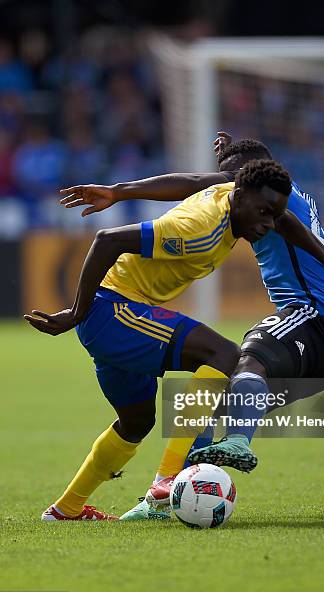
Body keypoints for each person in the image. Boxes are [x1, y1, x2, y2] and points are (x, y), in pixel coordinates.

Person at [58, 134, 324, 521]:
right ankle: (151, 500)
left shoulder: (262, 206)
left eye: (228, 179)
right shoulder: (245, 202)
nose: (266, 220)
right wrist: (119, 191)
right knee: (194, 400)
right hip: (116, 306)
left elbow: (261, 211)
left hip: (312, 321)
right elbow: (199, 184)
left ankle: (212, 455)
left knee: (233, 358)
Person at [26, 158, 307, 521]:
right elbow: (107, 240)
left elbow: (190, 179)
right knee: (223, 353)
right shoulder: (198, 228)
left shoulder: (232, 190)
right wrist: (77, 312)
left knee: (136, 422)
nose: (269, 224)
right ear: (239, 197)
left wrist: (118, 191)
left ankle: (66, 509)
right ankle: (169, 479)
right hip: (115, 312)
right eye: (264, 213)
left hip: (117, 316)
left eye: (275, 215)